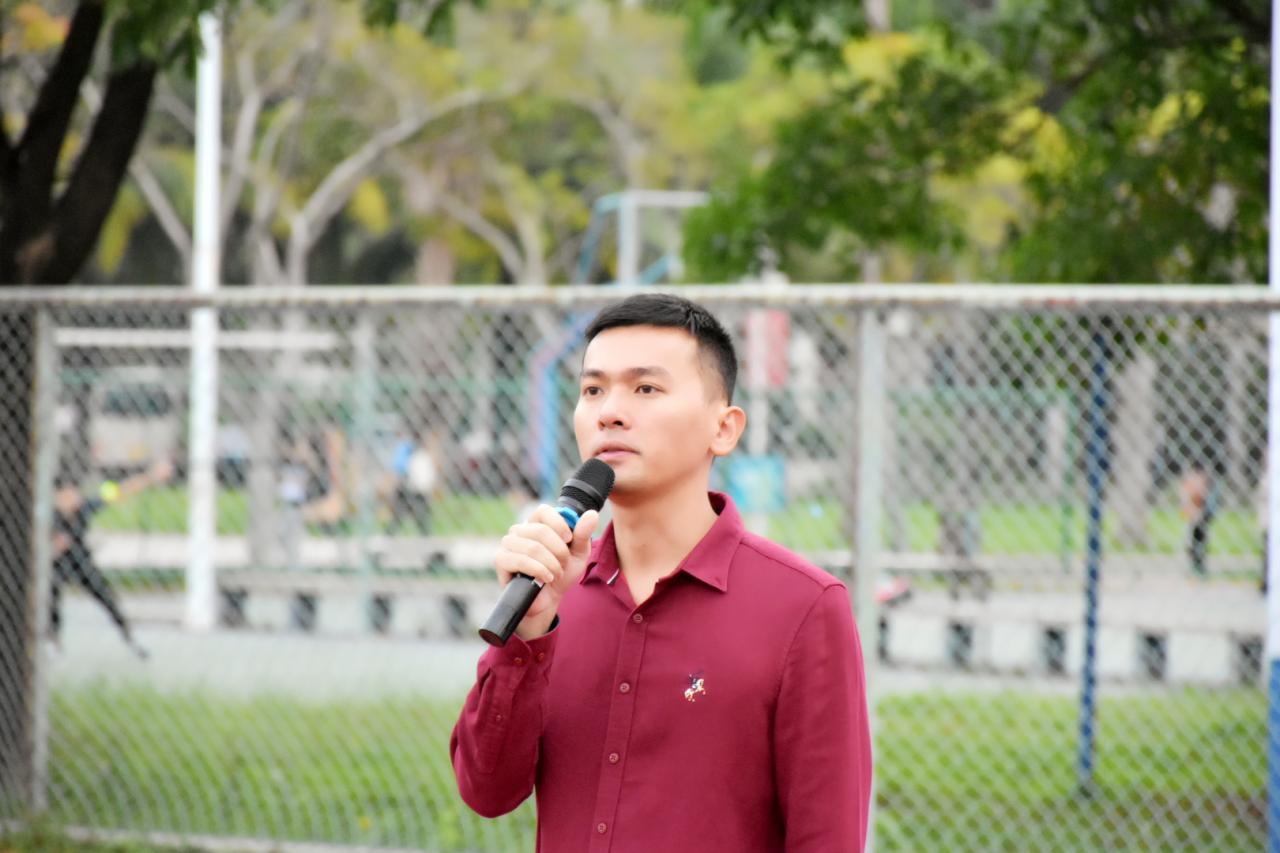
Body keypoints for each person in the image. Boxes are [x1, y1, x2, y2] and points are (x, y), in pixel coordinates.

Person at [451, 293, 872, 851]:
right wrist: (527, 635)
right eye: (592, 390)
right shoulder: (552, 595)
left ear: (724, 429)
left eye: (645, 388)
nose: (610, 412)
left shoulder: (803, 607)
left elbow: (827, 836)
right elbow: (486, 791)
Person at [50, 458, 173, 658]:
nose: (74, 499)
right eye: (68, 494)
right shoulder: (48, 514)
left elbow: (120, 491)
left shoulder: (84, 508)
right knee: (51, 593)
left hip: (81, 563)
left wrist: (151, 476)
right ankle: (53, 641)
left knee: (107, 597)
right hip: (55, 565)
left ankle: (129, 638)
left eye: (75, 493)